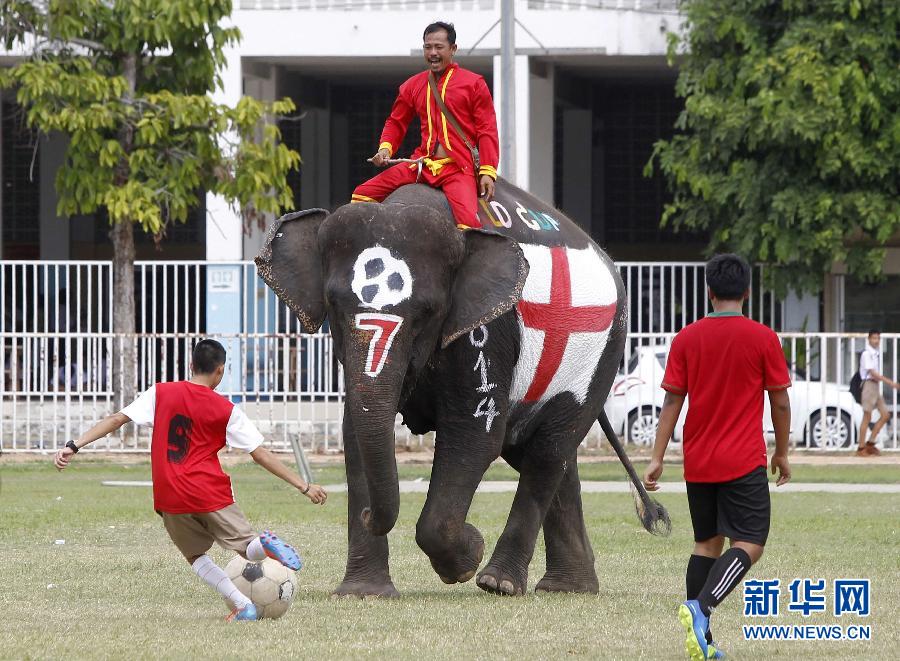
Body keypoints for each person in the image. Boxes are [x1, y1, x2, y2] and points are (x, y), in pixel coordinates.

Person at [54, 338, 328, 622]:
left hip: (169, 492)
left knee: (195, 557)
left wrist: (74, 445)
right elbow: (259, 454)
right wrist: (304, 486)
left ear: (191, 365)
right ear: (220, 370)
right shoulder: (226, 409)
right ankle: (264, 545)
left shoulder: (160, 393)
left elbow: (116, 419)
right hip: (209, 491)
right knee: (248, 547)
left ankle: (242, 606)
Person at [642, 254, 792, 661]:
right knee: (751, 542)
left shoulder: (686, 339)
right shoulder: (763, 338)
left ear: (709, 291)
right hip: (743, 461)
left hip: (699, 461)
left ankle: (703, 641)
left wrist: (657, 457)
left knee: (706, 544)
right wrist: (782, 452)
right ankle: (701, 608)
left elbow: (672, 401)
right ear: (747, 292)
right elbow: (780, 402)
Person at [351, 21, 499, 230]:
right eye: (428, 47)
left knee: (468, 224)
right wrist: (385, 149)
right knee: (361, 194)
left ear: (453, 49)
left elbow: (487, 129)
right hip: (421, 164)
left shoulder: (473, 83)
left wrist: (488, 171)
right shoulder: (412, 85)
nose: (433, 53)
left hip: (458, 168)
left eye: (439, 47)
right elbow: (396, 122)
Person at [856, 329, 899, 456]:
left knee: (885, 415)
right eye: (874, 338)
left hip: (875, 386)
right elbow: (872, 373)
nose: (876, 341)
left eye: (878, 338)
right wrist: (890, 382)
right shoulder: (866, 354)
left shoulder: (875, 354)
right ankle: (861, 448)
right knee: (867, 417)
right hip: (868, 386)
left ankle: (870, 443)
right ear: (869, 339)